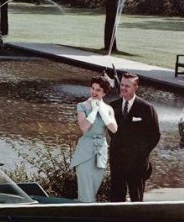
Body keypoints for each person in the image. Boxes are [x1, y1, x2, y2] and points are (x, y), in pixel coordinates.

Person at [109, 72, 160, 202]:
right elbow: (112, 131)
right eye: (122, 85)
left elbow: (155, 135)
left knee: (136, 200)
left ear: (136, 87)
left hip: (137, 164)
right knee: (116, 200)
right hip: (117, 162)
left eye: (127, 86)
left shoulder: (147, 108)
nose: (123, 88)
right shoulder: (112, 106)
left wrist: (140, 153)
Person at [69, 75, 118, 202]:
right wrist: (94, 111)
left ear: (104, 93)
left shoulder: (108, 109)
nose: (94, 92)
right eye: (93, 88)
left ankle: (84, 211)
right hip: (85, 153)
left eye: (98, 90)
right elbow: (84, 127)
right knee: (86, 194)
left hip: (100, 154)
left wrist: (103, 113)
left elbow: (114, 129)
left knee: (93, 192)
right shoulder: (82, 106)